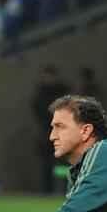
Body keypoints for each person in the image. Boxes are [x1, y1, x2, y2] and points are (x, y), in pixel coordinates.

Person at [30, 64, 71, 193]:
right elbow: (37, 110)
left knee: (62, 163)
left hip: (61, 132)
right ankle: (47, 190)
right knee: (47, 163)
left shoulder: (62, 92)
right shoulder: (41, 92)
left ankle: (64, 188)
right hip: (46, 132)